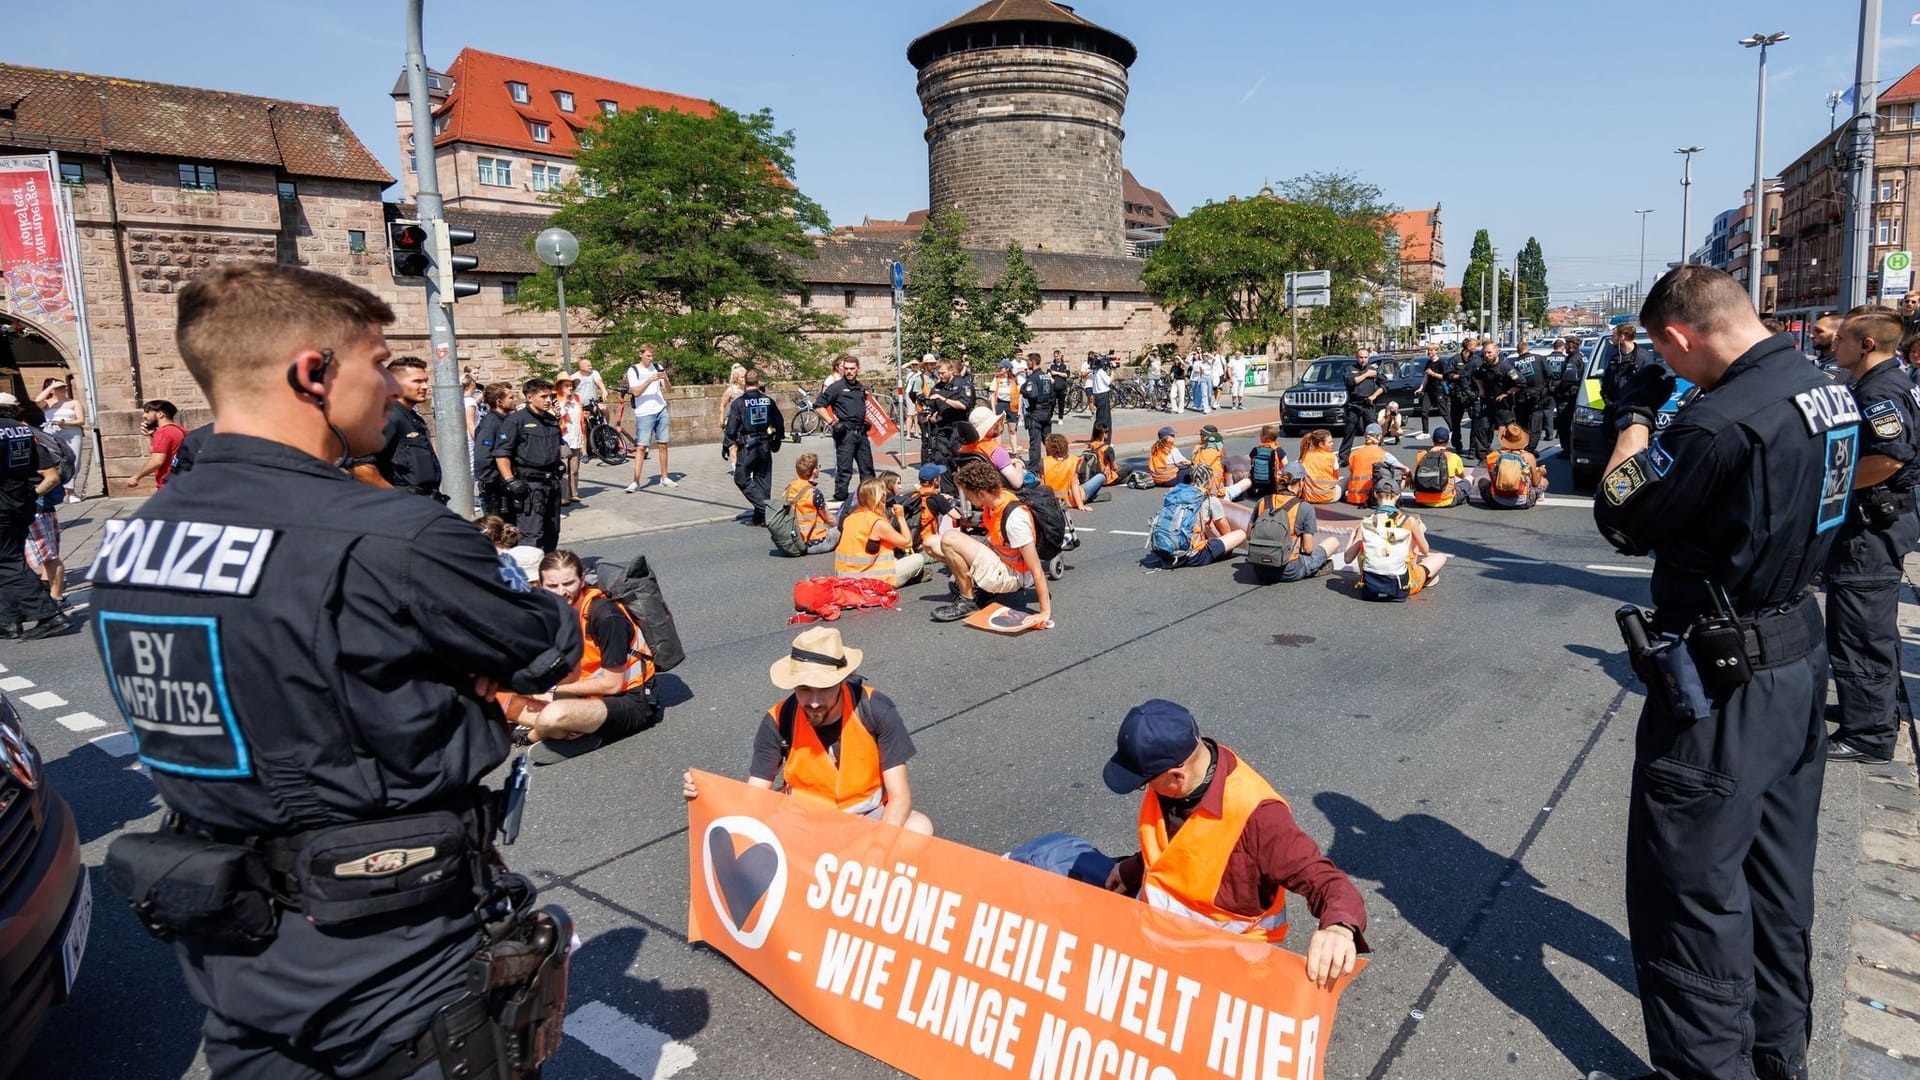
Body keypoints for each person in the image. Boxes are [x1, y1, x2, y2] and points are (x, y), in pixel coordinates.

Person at [88, 261, 580, 1078]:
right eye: (380, 363)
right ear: (313, 373)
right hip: (392, 954)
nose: (396, 386)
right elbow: (545, 640)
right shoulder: (394, 536)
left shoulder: (135, 537)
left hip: (233, 949)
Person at [1584, 266, 1859, 1080]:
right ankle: (1778, 1061)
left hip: (1724, 684)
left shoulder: (1717, 423)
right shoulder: (1825, 387)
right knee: (1777, 886)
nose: (1673, 374)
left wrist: (1633, 419)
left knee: (1691, 899)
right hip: (1798, 654)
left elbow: (1622, 513)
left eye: (1670, 361)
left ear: (1680, 336)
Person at [1097, 701, 1366, 987]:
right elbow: (1180, 850)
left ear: (1177, 776)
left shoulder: (1259, 817)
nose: (1146, 790)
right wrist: (1134, 868)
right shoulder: (1181, 777)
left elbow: (1326, 881)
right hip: (1162, 944)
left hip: (1227, 969)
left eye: (1144, 783)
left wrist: (1339, 928)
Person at [682, 627, 931, 834]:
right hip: (804, 826)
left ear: (842, 681)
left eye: (823, 688)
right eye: (803, 688)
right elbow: (754, 797)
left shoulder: (875, 708)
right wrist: (708, 795)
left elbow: (900, 797)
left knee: (919, 828)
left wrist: (880, 849)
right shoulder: (778, 720)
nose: (813, 701)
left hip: (866, 821)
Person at [1823, 306, 1920, 765]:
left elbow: (1890, 457)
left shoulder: (1880, 391)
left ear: (1866, 345)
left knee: (1860, 629)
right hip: (1873, 523)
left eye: (1842, 338)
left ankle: (1868, 734)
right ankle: (1868, 710)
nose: (1834, 343)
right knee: (1864, 626)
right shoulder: (1878, 384)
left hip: (1871, 527)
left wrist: (1829, 489)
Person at [508, 549, 659, 764]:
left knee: (554, 715)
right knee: (502, 693)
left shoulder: (605, 616)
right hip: (584, 694)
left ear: (582, 581)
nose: (561, 592)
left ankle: (532, 734)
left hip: (630, 700)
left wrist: (551, 690)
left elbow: (612, 686)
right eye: (552, 586)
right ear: (540, 586)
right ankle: (568, 727)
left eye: (568, 583)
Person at [922, 460, 1052, 627]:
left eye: (968, 495)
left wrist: (1044, 612)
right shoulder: (993, 502)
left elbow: (1036, 569)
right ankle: (980, 588)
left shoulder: (1015, 518)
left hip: (1013, 575)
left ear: (981, 494)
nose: (967, 499)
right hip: (999, 557)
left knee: (950, 539)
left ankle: (968, 599)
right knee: (930, 543)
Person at [0, 393, 65, 638]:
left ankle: (49, 614)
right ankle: (8, 620)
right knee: (11, 559)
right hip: (22, 502)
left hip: (3, 504)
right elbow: (48, 471)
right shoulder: (24, 430)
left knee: (7, 563)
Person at [349, 355, 444, 499]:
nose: (425, 386)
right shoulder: (385, 416)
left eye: (426, 381)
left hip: (424, 502)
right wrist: (399, 501)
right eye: (417, 381)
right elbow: (361, 468)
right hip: (403, 508)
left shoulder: (410, 417)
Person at [1343, 475, 1446, 600]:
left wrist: (1353, 535)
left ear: (1375, 494)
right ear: (1397, 496)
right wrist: (1421, 531)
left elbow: (1347, 558)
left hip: (1370, 585)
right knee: (1440, 557)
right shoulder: (1409, 521)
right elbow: (1424, 550)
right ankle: (1422, 576)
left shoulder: (1367, 522)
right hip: (1402, 585)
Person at [494, 377, 565, 553]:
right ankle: (529, 577)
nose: (548, 400)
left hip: (551, 483)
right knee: (531, 535)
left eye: (550, 396)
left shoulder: (550, 420)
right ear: (529, 397)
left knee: (552, 531)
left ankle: (547, 573)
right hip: (530, 486)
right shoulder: (516, 421)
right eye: (543, 396)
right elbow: (502, 453)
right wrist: (511, 481)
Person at [1247, 463, 1343, 582]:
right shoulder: (1304, 507)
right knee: (1332, 542)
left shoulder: (1263, 501)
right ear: (1302, 481)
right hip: (1289, 570)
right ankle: (1313, 568)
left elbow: (1249, 535)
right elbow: (1308, 549)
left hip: (1259, 568)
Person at [834, 476, 927, 587]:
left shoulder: (850, 518)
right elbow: (907, 543)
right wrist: (901, 517)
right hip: (871, 580)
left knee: (894, 557)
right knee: (918, 559)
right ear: (879, 498)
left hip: (844, 576)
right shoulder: (877, 523)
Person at [1149, 463, 1246, 569]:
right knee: (1240, 534)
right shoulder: (1209, 499)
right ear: (1209, 480)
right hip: (1191, 556)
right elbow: (1226, 531)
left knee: (1203, 524)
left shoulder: (1175, 492)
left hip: (1164, 551)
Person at [724, 370, 785, 526]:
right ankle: (760, 517)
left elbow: (731, 427)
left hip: (748, 447)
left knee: (741, 478)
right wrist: (778, 439)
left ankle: (767, 512)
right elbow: (779, 422)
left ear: (745, 384)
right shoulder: (768, 401)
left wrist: (727, 445)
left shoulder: (738, 403)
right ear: (759, 383)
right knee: (762, 481)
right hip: (764, 444)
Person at [817, 354, 875, 502]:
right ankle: (840, 500)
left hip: (861, 433)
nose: (849, 371)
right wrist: (832, 422)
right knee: (844, 470)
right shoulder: (836, 387)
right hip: (845, 434)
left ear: (858, 369)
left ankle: (869, 498)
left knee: (867, 469)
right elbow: (818, 405)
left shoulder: (860, 388)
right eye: (846, 368)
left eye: (852, 369)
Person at [624, 344, 677, 490]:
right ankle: (636, 481)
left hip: (660, 409)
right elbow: (636, 392)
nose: (650, 358)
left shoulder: (657, 366)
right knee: (641, 447)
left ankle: (665, 477)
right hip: (644, 412)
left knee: (663, 444)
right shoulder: (633, 370)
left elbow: (669, 391)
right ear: (640, 355)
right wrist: (649, 379)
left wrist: (665, 379)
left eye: (652, 355)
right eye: (648, 356)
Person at [921, 355, 976, 467]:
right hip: (942, 427)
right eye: (939, 373)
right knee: (940, 458)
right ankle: (944, 482)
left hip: (958, 428)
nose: (940, 376)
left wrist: (943, 399)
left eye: (943, 373)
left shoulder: (962, 384)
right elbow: (932, 406)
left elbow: (964, 405)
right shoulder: (937, 387)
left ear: (951, 371)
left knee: (957, 459)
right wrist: (930, 415)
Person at [472, 381, 516, 518]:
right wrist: (494, 480)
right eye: (511, 398)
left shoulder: (508, 420)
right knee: (497, 529)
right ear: (499, 402)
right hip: (496, 488)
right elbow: (483, 456)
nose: (515, 400)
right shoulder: (490, 423)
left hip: (507, 483)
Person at [35, 378, 83, 501]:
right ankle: (58, 490)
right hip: (51, 433)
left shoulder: (74, 403)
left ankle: (70, 491)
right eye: (59, 388)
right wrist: (51, 387)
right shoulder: (48, 403)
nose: (63, 390)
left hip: (71, 432)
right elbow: (37, 400)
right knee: (54, 460)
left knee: (74, 459)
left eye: (64, 387)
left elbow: (81, 420)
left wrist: (66, 423)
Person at [781, 453, 839, 555]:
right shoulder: (814, 494)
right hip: (814, 543)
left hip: (794, 540)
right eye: (818, 466)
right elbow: (829, 519)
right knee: (842, 528)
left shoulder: (788, 488)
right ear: (814, 471)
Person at [1479, 423, 1548, 508]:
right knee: (1544, 481)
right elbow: (1535, 483)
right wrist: (1540, 472)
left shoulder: (1493, 456)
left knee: (1482, 481)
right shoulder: (1529, 457)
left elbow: (1492, 478)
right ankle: (1532, 497)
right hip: (1523, 502)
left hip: (1496, 501)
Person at [960, 406, 1029, 489]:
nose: (997, 424)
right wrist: (1019, 464)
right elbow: (1017, 483)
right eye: (994, 423)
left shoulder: (964, 449)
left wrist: (1008, 461)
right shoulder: (996, 451)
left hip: (974, 492)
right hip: (997, 494)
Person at [128, 398, 186, 491]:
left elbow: (157, 461)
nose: (144, 415)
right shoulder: (180, 430)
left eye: (147, 412)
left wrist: (136, 477)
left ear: (160, 414)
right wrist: (148, 436)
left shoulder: (163, 433)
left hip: (169, 485)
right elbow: (157, 453)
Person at [1471, 340, 1515, 458]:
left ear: (1497, 352)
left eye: (1489, 352)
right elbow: (1476, 376)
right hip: (1488, 402)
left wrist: (1507, 393)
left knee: (1508, 430)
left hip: (1502, 404)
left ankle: (1511, 453)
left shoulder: (1506, 368)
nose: (1487, 355)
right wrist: (1481, 390)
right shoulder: (1483, 367)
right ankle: (1482, 455)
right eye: (1485, 353)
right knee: (1481, 427)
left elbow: (1520, 383)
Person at [1410, 426, 1470, 508]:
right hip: (1446, 499)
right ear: (1448, 441)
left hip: (1422, 500)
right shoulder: (1453, 456)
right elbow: (1462, 476)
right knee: (1468, 479)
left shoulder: (1421, 455)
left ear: (1433, 440)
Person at [1338, 348, 1383, 457]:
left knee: (1373, 431)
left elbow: (1384, 385)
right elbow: (1351, 382)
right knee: (1349, 431)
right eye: (1361, 357)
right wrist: (1367, 375)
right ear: (1356, 357)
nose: (1363, 360)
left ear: (1368, 358)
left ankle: (1376, 454)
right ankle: (1344, 457)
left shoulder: (1373, 369)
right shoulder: (1350, 369)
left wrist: (1374, 395)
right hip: (1354, 404)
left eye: (1365, 357)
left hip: (1368, 404)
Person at [1020, 352, 1055, 474]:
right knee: (1049, 440)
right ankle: (1054, 463)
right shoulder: (1046, 376)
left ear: (1033, 362)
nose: (1027, 363)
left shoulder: (1033, 378)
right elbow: (1052, 395)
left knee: (1035, 442)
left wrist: (1024, 390)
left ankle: (1035, 468)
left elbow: (1032, 394)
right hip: (1046, 412)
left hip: (1036, 412)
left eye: (1028, 361)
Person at [1447, 337, 1481, 453]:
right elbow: (1447, 375)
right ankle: (1457, 446)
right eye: (1473, 345)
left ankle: (1472, 449)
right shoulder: (1455, 360)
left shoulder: (1477, 360)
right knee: (1455, 422)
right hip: (1457, 395)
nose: (1475, 348)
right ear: (1467, 346)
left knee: (1476, 422)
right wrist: (1459, 377)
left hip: (1472, 395)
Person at [555, 375, 585, 505]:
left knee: (574, 468)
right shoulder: (556, 399)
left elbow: (581, 418)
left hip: (575, 435)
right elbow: (557, 416)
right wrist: (564, 403)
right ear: (561, 387)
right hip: (563, 437)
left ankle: (574, 493)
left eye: (571, 385)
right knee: (563, 468)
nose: (570, 388)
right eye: (567, 385)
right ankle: (563, 495)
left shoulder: (577, 398)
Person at [1040, 433, 1090, 509]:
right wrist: (1080, 505)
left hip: (1053, 500)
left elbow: (1042, 486)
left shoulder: (1044, 462)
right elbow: (1074, 485)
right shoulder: (1073, 460)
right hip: (1072, 499)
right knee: (1100, 477)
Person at [1343, 423, 1388, 505]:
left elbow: (1352, 470)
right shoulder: (1383, 454)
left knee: (1346, 478)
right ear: (1379, 437)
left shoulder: (1354, 453)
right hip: (1372, 497)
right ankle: (1389, 500)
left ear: (1365, 436)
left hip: (1353, 497)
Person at [1245, 424, 1286, 504]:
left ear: (1265, 436)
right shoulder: (1277, 450)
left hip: (1256, 483)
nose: (1259, 435)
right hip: (1272, 484)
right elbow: (1285, 465)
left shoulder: (1256, 449)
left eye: (1261, 434)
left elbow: (1251, 463)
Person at [989, 359, 1022, 457]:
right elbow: (992, 395)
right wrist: (994, 410)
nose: (999, 369)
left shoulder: (1014, 379)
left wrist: (1019, 410)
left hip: (1012, 405)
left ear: (1007, 369)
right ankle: (998, 451)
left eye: (1001, 368)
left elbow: (1020, 395)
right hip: (1000, 404)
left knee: (1012, 429)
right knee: (999, 429)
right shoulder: (997, 379)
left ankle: (1014, 452)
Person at [1298, 428, 1340, 503]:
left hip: (1308, 497)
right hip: (1328, 497)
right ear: (1321, 444)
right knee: (1345, 480)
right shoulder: (1331, 457)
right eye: (1329, 442)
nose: (1332, 444)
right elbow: (1336, 477)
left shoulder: (1305, 455)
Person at [1080, 423, 1119, 500]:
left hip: (1092, 476)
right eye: (1107, 432)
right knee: (1128, 467)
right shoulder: (1107, 448)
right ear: (1103, 434)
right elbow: (1115, 467)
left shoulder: (1090, 446)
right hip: (1105, 476)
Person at [1418, 343, 1448, 434]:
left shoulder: (1441, 363)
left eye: (1431, 350)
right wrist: (1420, 388)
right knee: (1424, 411)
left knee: (1443, 411)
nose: (1429, 352)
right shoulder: (1428, 363)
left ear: (1436, 351)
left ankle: (1452, 429)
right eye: (1428, 350)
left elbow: (1444, 377)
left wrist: (1433, 374)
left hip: (1438, 389)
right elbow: (1425, 377)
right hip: (1428, 390)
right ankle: (1425, 432)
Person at [1086, 351, 1114, 434]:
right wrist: (1113, 371)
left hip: (1097, 395)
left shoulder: (1094, 371)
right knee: (1105, 419)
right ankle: (1103, 438)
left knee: (1100, 418)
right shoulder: (1100, 371)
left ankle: (1098, 437)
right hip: (1103, 395)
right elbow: (1109, 381)